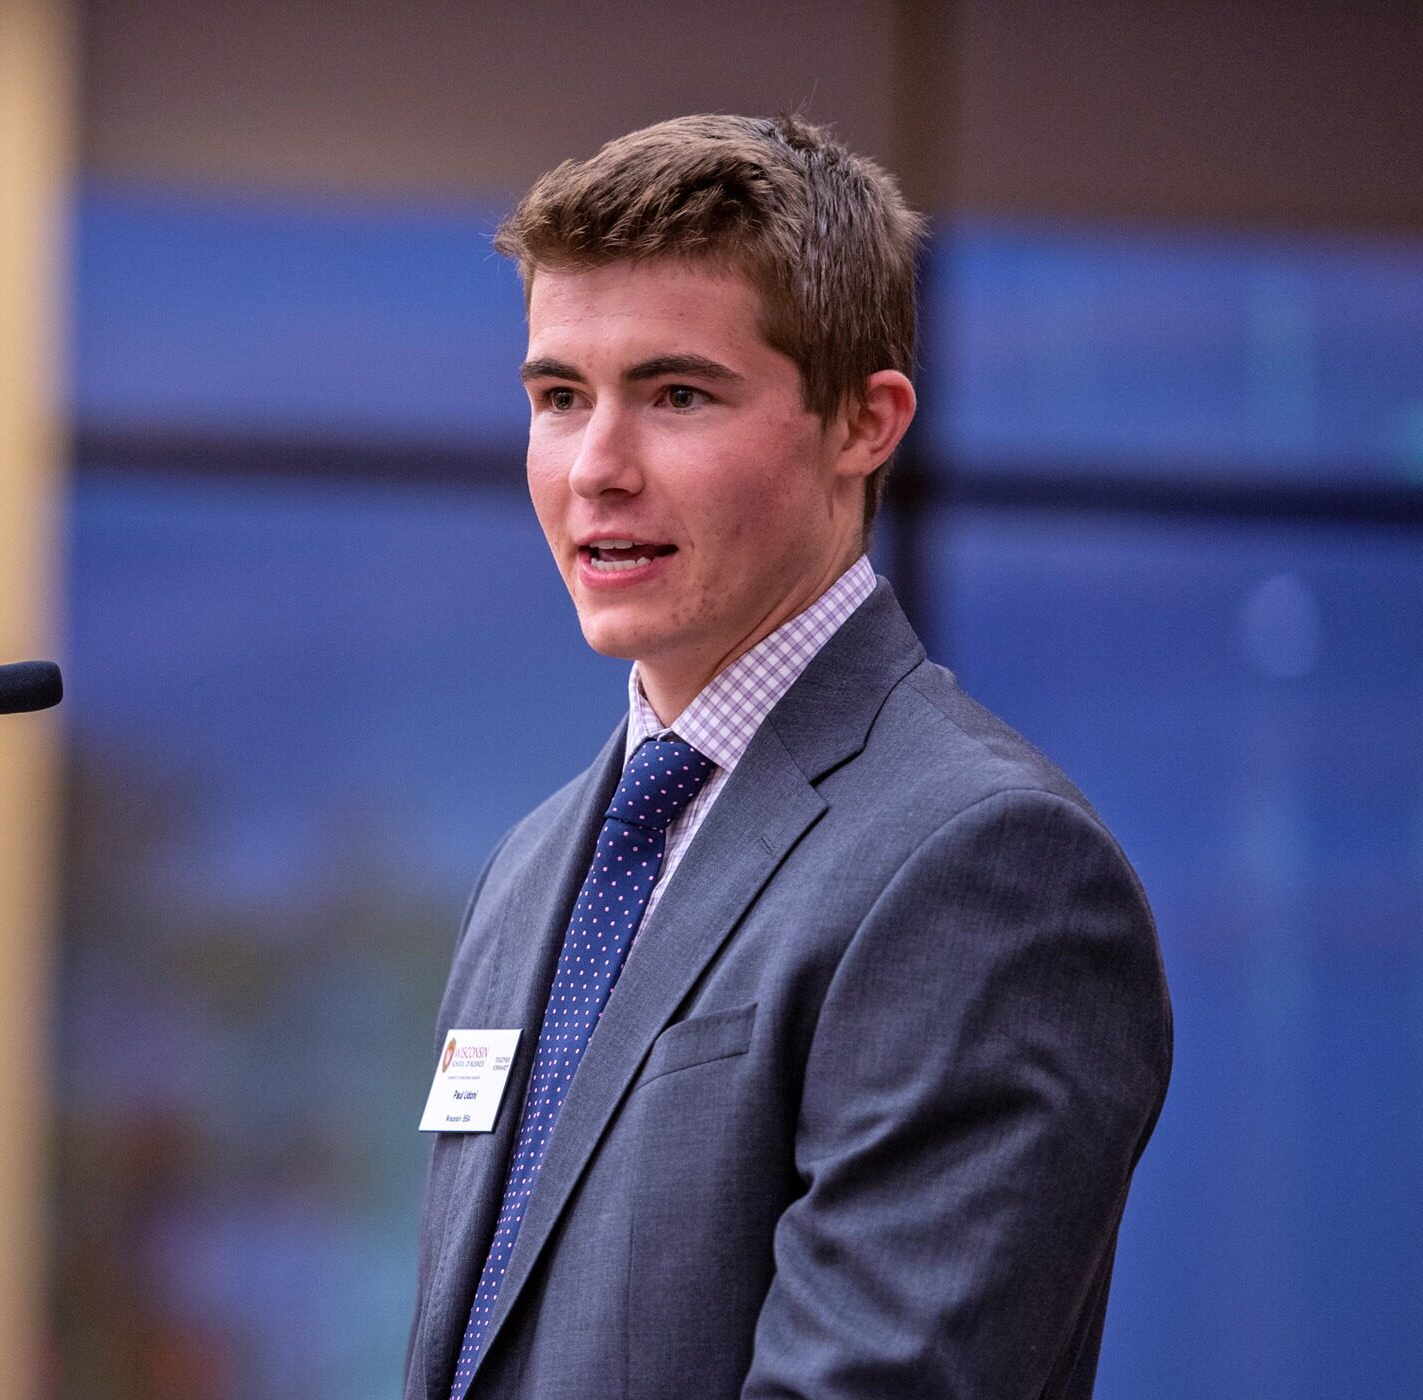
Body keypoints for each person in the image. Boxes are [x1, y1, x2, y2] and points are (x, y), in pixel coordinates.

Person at [405, 114, 1172, 1400]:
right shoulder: (534, 868)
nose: (597, 468)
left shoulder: (991, 865)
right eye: (558, 398)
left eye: (678, 394)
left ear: (865, 423)